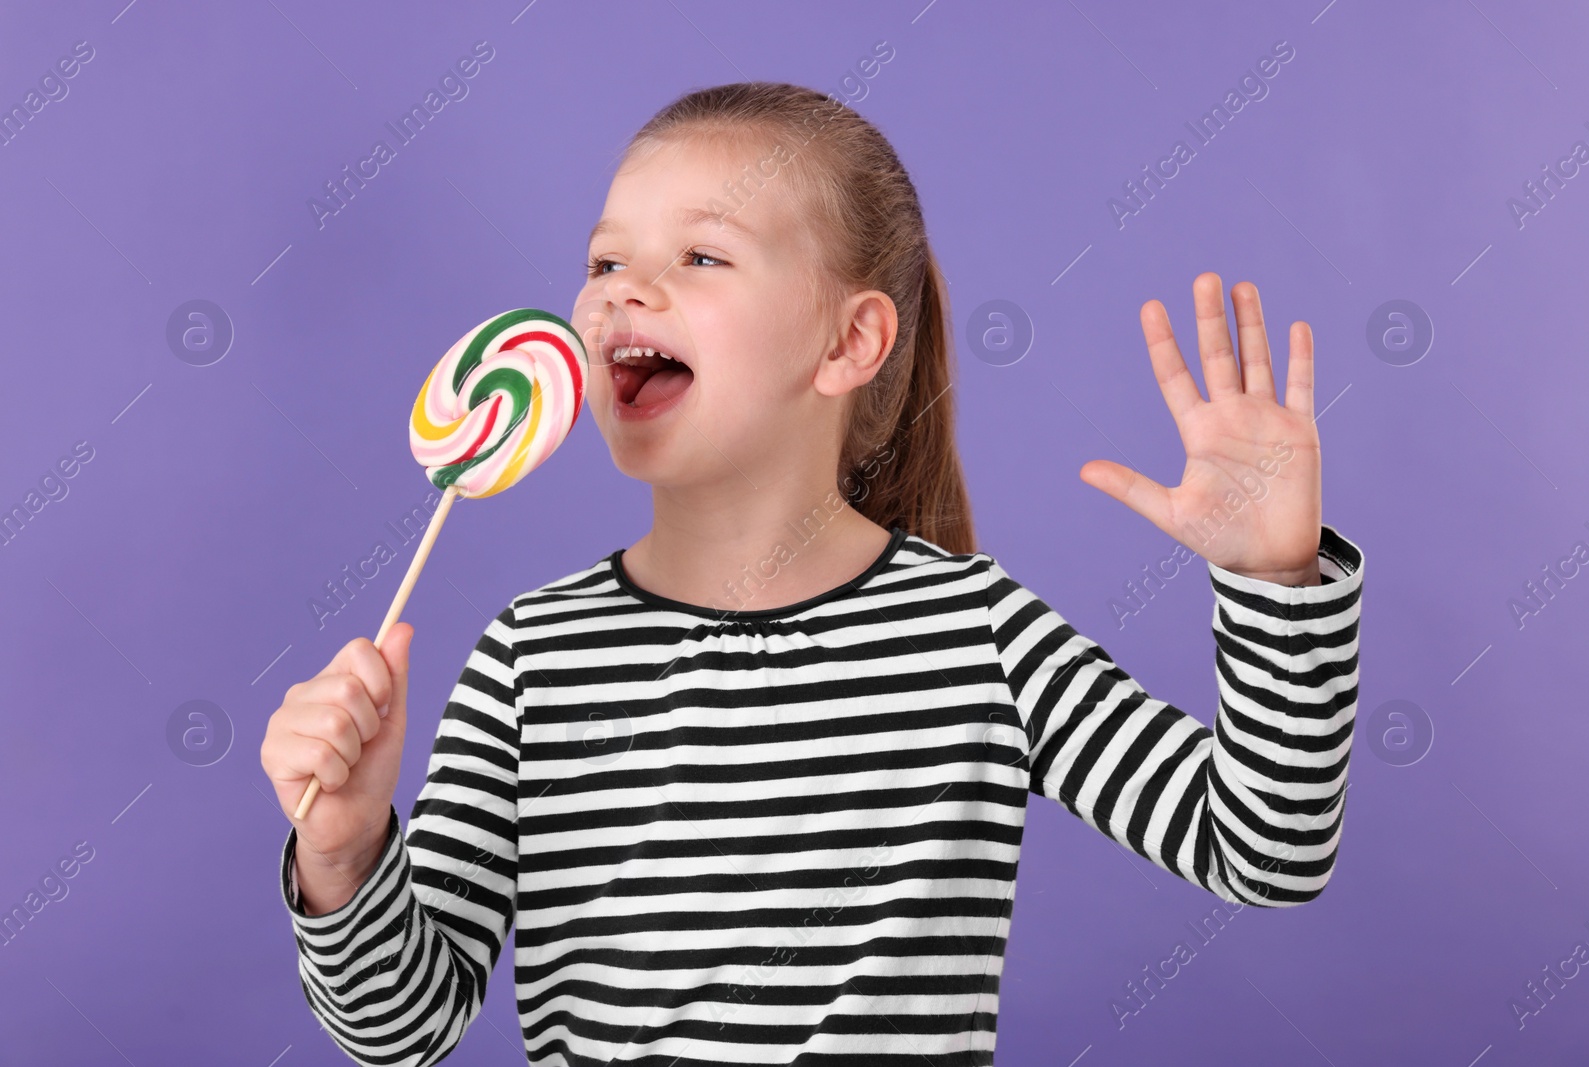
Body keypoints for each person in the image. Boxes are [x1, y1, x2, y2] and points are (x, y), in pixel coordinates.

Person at [259, 81, 1363, 1066]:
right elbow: (400, 1029)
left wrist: (1276, 580)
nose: (621, 292)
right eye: (604, 260)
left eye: (699, 255)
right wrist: (346, 853)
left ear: (848, 342)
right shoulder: (531, 659)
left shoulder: (974, 635)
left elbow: (1264, 844)